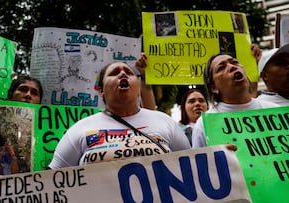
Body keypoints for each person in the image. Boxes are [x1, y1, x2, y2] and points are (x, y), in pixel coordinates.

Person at [48, 62, 191, 168]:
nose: (122, 74)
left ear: (138, 88)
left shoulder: (164, 121)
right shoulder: (80, 129)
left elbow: (192, 166)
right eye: (114, 73)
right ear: (102, 90)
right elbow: (52, 180)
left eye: (129, 73)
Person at [192, 54, 279, 148]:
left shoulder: (276, 110)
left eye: (235, 62)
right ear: (213, 87)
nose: (232, 67)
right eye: (221, 68)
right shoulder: (205, 125)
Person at [0, 75, 43, 191]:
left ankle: (8, 186)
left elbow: (7, 147)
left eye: (34, 93)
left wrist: (14, 160)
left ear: (40, 101)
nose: (28, 95)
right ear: (11, 95)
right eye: (23, 89)